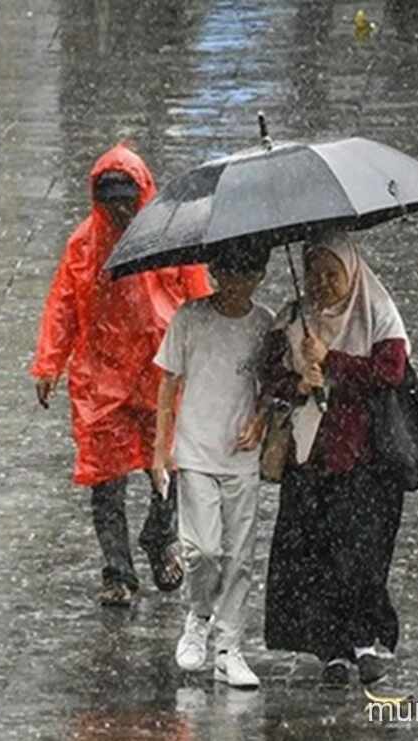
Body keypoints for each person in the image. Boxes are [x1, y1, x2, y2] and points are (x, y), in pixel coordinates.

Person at [31, 143, 212, 608]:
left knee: (169, 461)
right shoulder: (85, 245)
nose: (119, 211)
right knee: (106, 478)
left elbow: (198, 294)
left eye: (126, 200)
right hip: (102, 375)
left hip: (159, 369)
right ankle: (117, 571)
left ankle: (161, 534)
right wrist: (50, 362)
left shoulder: (168, 239)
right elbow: (64, 305)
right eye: (110, 201)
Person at [259, 229, 410, 688]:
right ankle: (332, 649)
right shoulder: (292, 319)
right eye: (314, 274)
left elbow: (391, 372)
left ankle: (365, 639)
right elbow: (268, 377)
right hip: (311, 459)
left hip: (367, 460)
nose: (322, 284)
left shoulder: (378, 313)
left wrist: (334, 361)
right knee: (315, 556)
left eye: (332, 274)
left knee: (362, 555)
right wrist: (298, 380)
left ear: (352, 272)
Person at [152, 244, 274, 690]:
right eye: (230, 272)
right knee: (202, 550)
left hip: (241, 458)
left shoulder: (264, 325)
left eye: (249, 272)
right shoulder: (189, 318)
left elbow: (271, 385)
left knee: (239, 555)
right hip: (196, 451)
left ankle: (229, 646)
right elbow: (168, 380)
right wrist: (160, 448)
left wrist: (260, 418)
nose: (238, 282)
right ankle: (199, 614)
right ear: (216, 272)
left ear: (260, 275)